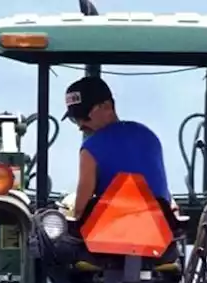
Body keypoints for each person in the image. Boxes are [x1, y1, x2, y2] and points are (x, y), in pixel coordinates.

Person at [63, 76, 172, 219]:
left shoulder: (90, 149)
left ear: (108, 106)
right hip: (161, 231)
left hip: (112, 233)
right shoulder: (149, 136)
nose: (81, 126)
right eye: (75, 119)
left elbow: (80, 211)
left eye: (85, 116)